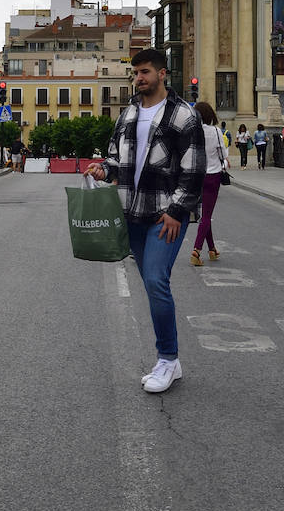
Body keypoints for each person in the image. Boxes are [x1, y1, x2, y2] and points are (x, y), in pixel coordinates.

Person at [84, 48, 205, 394]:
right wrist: (102, 168)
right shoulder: (128, 114)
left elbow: (193, 170)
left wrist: (176, 211)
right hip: (131, 214)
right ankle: (172, 361)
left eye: (145, 72)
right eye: (136, 73)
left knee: (155, 281)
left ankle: (167, 359)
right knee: (152, 283)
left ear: (163, 74)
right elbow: (113, 157)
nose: (139, 78)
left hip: (165, 215)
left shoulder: (183, 116)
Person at [190, 101, 227, 267]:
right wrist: (224, 164)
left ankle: (212, 249)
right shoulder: (216, 131)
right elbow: (223, 154)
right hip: (213, 175)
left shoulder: (192, 132)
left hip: (196, 176)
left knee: (205, 213)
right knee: (206, 215)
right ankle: (196, 250)